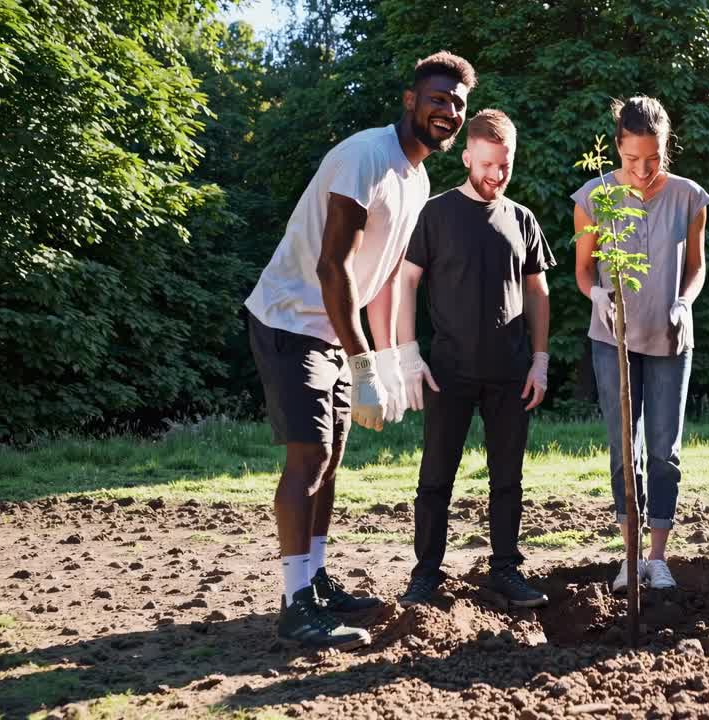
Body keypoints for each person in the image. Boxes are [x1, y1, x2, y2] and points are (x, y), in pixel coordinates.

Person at [244, 51, 476, 648]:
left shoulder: (418, 178)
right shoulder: (365, 156)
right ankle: (296, 605)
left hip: (333, 330)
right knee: (309, 457)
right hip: (292, 320)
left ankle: (315, 580)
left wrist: (396, 358)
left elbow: (383, 279)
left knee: (332, 457)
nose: (446, 111)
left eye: (456, 103)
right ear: (409, 99)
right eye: (436, 98)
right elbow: (333, 267)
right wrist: (363, 361)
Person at [396, 109, 555, 609]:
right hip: (447, 372)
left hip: (510, 374)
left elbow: (538, 291)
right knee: (435, 478)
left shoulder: (522, 219)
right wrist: (408, 354)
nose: (496, 175)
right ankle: (426, 575)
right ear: (467, 157)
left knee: (507, 480)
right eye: (487, 164)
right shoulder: (436, 214)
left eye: (504, 165)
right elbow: (406, 282)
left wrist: (541, 360)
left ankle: (506, 570)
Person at [572, 96, 709, 594]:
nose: (644, 169)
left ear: (665, 148)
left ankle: (657, 558)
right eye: (632, 159)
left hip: (671, 339)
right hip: (613, 340)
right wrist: (598, 295)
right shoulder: (593, 197)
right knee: (621, 451)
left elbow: (696, 267)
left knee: (664, 451)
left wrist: (684, 302)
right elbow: (583, 270)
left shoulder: (689, 196)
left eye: (654, 158)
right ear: (618, 148)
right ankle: (629, 556)